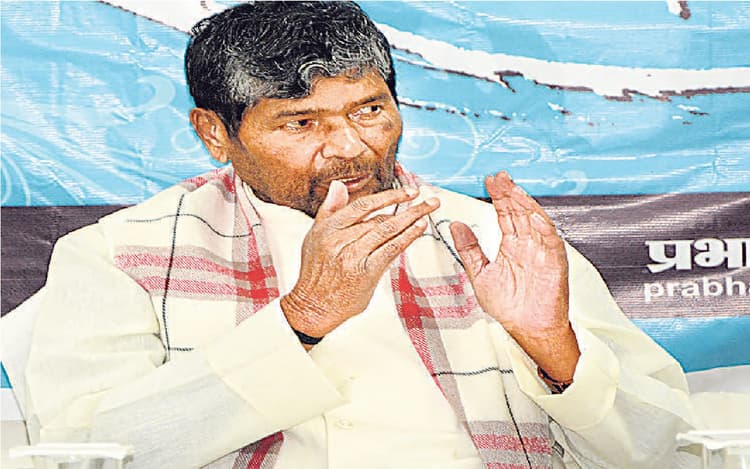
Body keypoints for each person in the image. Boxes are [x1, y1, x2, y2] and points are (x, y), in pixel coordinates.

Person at [22, 2, 699, 468]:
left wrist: (553, 347)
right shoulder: (119, 255)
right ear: (214, 134)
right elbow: (85, 454)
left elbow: (662, 450)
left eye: (369, 110)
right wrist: (303, 319)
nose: (349, 147)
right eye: (301, 123)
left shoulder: (496, 239)